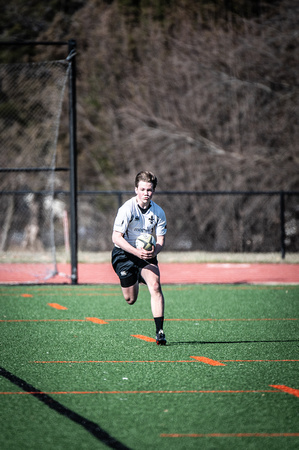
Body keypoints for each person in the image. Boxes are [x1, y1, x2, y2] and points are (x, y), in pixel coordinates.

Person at [111, 171, 167, 345]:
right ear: (136, 189)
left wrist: (154, 252)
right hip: (124, 253)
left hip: (146, 255)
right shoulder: (127, 209)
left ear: (154, 191)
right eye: (142, 189)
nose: (146, 193)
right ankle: (135, 276)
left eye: (149, 190)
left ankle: (160, 332)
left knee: (156, 286)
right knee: (130, 299)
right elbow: (116, 237)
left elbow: (161, 240)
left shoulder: (158, 212)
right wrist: (136, 253)